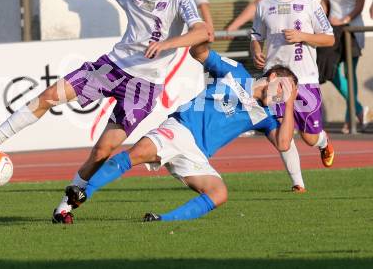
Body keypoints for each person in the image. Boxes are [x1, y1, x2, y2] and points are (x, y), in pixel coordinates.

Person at [0, 0, 209, 217]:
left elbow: (202, 31)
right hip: (112, 67)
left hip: (144, 87)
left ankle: (64, 208)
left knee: (104, 149)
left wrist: (168, 44)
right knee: (49, 96)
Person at [54, 41, 298, 224]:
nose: (282, 97)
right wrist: (203, 35)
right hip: (180, 128)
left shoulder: (265, 115)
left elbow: (284, 144)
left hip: (198, 155)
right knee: (139, 152)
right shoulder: (236, 72)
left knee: (219, 193)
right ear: (273, 76)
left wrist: (289, 103)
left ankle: (161, 221)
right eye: (284, 89)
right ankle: (83, 192)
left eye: (287, 96)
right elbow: (199, 53)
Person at [250, 0, 336, 190]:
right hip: (275, 79)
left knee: (309, 138)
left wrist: (302, 36)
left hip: (305, 78)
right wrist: (256, 50)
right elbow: (256, 37)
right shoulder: (264, 5)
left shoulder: (309, 3)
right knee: (282, 135)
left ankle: (323, 140)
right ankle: (298, 184)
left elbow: (329, 38)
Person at [320, 0, 371, 133]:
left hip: (351, 30)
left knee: (350, 73)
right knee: (329, 69)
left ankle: (350, 121)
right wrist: (319, 18)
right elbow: (324, 2)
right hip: (332, 29)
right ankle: (359, 110)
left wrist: (343, 19)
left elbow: (359, 5)